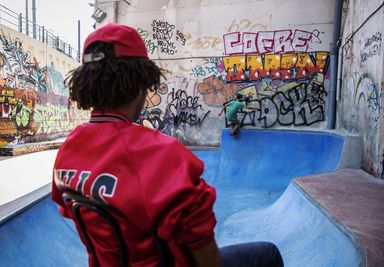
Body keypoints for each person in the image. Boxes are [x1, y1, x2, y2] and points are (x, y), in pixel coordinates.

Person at [51, 23, 283, 267]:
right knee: (267, 254)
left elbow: (71, 210)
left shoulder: (69, 149)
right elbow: (208, 259)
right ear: (140, 83)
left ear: (86, 82)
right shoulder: (162, 154)